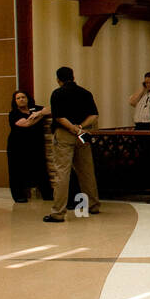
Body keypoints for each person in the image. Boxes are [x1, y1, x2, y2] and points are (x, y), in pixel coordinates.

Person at [44, 66, 101, 223]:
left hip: (64, 134)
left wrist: (73, 128)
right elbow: (94, 115)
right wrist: (81, 127)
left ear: (58, 79)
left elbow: (59, 117)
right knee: (87, 171)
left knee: (62, 172)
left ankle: (58, 212)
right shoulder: (85, 93)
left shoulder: (57, 93)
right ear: (73, 76)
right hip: (83, 135)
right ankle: (94, 205)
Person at [7, 90, 53, 203]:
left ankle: (47, 194)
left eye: (23, 97)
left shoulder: (36, 109)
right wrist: (40, 115)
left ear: (28, 99)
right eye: (18, 98)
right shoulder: (14, 113)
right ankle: (18, 196)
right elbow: (27, 124)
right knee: (17, 170)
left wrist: (39, 113)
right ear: (15, 101)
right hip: (17, 146)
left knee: (41, 168)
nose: (21, 99)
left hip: (35, 144)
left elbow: (50, 109)